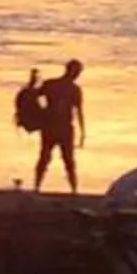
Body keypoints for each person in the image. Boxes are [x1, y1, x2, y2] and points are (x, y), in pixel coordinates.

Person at [32, 60, 86, 192]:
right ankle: (38, 186)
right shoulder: (61, 86)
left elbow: (78, 111)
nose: (77, 75)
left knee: (62, 160)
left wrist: (82, 132)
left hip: (58, 127)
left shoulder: (56, 85)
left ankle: (72, 189)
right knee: (51, 158)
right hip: (55, 127)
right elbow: (33, 96)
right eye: (77, 72)